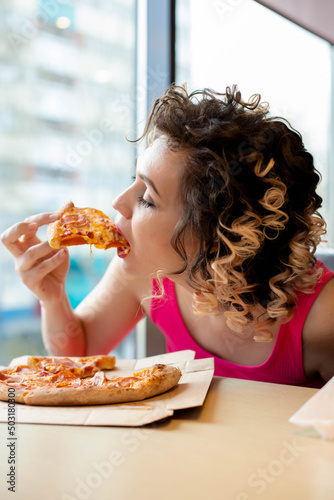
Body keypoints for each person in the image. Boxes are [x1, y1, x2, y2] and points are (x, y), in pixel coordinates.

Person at [2, 84, 334, 388]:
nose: (118, 202)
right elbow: (79, 351)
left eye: (147, 197)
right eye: (134, 180)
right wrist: (52, 297)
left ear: (216, 235)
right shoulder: (148, 271)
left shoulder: (324, 318)